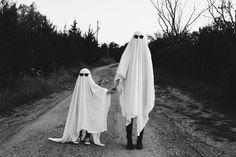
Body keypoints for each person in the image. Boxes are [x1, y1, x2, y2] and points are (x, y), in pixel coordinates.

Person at [108, 31, 155, 150]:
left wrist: (149, 88)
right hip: (131, 88)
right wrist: (115, 85)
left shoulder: (145, 53)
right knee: (131, 112)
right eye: (136, 37)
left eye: (140, 37)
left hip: (142, 88)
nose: (138, 40)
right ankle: (130, 141)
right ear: (133, 38)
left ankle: (138, 141)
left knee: (141, 112)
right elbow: (121, 71)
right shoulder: (130, 51)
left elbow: (149, 74)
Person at [48, 68, 111, 146]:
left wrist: (106, 91)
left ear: (89, 76)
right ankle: (79, 136)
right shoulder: (78, 86)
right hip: (80, 107)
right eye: (81, 75)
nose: (83, 77)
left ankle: (87, 137)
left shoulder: (91, 85)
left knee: (90, 118)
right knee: (79, 118)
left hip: (89, 105)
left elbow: (97, 90)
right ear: (79, 76)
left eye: (86, 75)